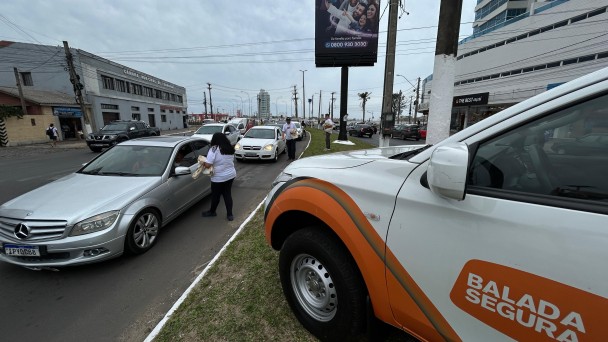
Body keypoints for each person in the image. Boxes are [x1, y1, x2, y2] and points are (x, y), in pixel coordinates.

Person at [201, 132, 237, 221]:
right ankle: (230, 215)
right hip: (230, 175)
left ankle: (212, 212)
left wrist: (203, 162)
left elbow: (208, 165)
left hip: (218, 177)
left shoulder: (214, 149)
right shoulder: (229, 148)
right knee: (227, 194)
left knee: (215, 196)